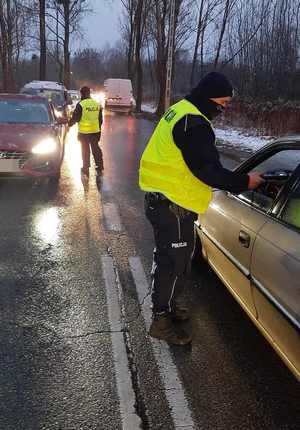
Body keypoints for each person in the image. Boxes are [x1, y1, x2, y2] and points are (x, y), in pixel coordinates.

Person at [139, 72, 264, 346]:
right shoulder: (194, 123)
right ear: (210, 97)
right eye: (223, 102)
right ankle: (161, 320)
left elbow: (198, 165)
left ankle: (169, 307)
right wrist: (245, 182)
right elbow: (209, 171)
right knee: (173, 264)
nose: (224, 108)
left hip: (168, 201)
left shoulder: (181, 111)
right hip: (172, 205)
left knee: (176, 261)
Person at [68, 86, 103, 178]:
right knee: (96, 148)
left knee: (85, 149)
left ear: (82, 93)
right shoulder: (96, 104)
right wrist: (98, 128)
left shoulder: (81, 104)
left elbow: (76, 118)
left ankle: (86, 167)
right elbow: (100, 119)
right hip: (95, 131)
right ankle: (100, 166)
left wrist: (69, 124)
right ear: (89, 93)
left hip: (84, 132)